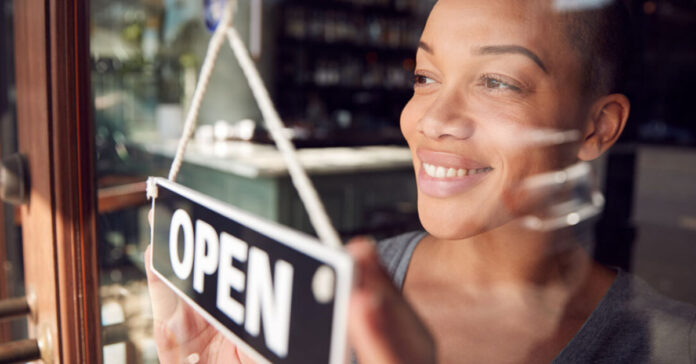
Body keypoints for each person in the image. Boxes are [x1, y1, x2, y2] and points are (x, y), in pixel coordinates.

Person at [145, 0, 696, 362]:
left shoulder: (667, 346)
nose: (430, 119)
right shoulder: (332, 291)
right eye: (425, 77)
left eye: (497, 82)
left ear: (597, 126)